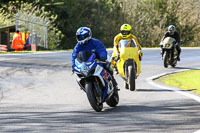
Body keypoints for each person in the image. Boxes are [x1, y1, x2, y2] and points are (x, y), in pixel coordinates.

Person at [72, 27, 119, 91]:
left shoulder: (95, 42)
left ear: (88, 35)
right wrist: (73, 65)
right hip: (86, 63)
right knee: (79, 73)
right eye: (79, 37)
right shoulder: (78, 46)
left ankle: (113, 84)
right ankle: (84, 85)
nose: (81, 38)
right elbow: (74, 56)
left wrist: (102, 58)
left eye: (83, 36)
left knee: (109, 67)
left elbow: (101, 50)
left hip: (98, 60)